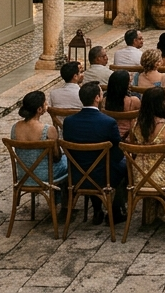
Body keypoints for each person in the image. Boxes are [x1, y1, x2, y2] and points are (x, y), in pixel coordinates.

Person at [61, 82, 126, 225]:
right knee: (126, 166)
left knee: (91, 163)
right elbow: (118, 152)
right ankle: (115, 210)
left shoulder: (69, 122)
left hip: (77, 173)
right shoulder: (108, 122)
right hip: (103, 174)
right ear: (97, 98)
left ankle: (97, 209)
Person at [127, 87, 165, 192]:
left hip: (139, 175)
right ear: (162, 103)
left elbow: (133, 152)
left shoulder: (134, 124)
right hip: (164, 177)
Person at [10, 91, 68, 188]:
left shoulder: (15, 128)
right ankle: (63, 199)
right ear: (39, 109)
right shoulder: (48, 130)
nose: (47, 104)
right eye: (45, 102)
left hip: (24, 175)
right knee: (69, 162)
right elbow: (56, 157)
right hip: (46, 176)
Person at [103, 70, 141, 137]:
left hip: (109, 134)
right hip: (129, 135)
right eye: (129, 83)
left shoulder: (104, 101)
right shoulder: (134, 101)